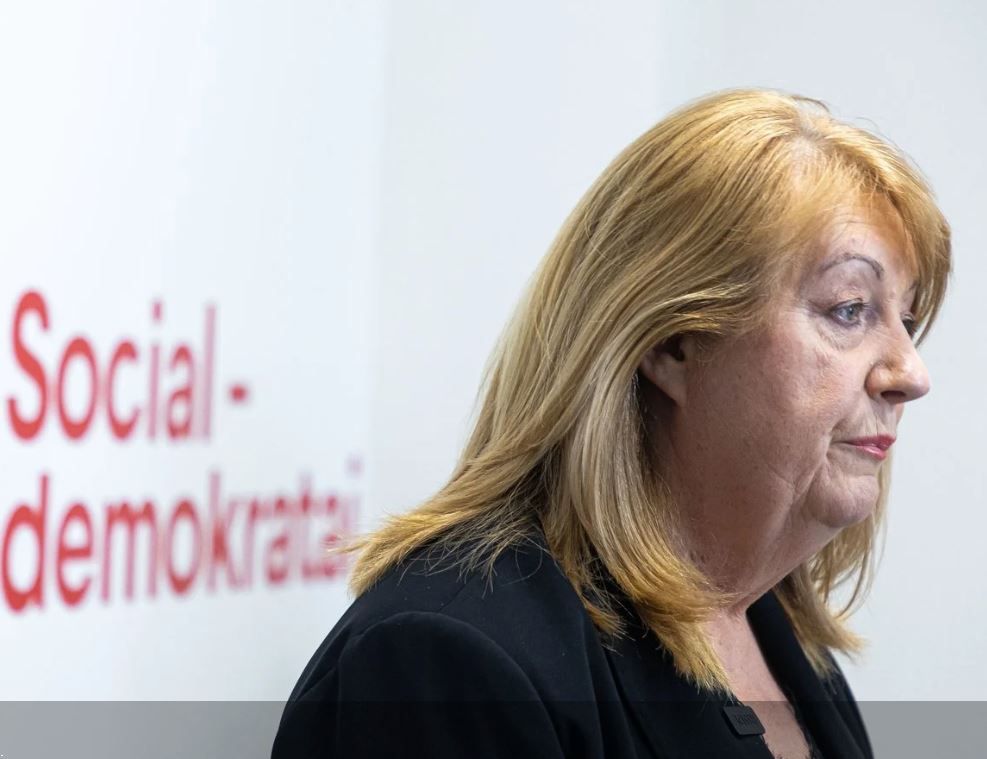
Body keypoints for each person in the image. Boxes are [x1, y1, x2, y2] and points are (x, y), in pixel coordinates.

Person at [271, 88, 951, 759]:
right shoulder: (447, 663)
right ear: (671, 344)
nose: (910, 373)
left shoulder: (781, 640)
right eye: (848, 309)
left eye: (907, 319)